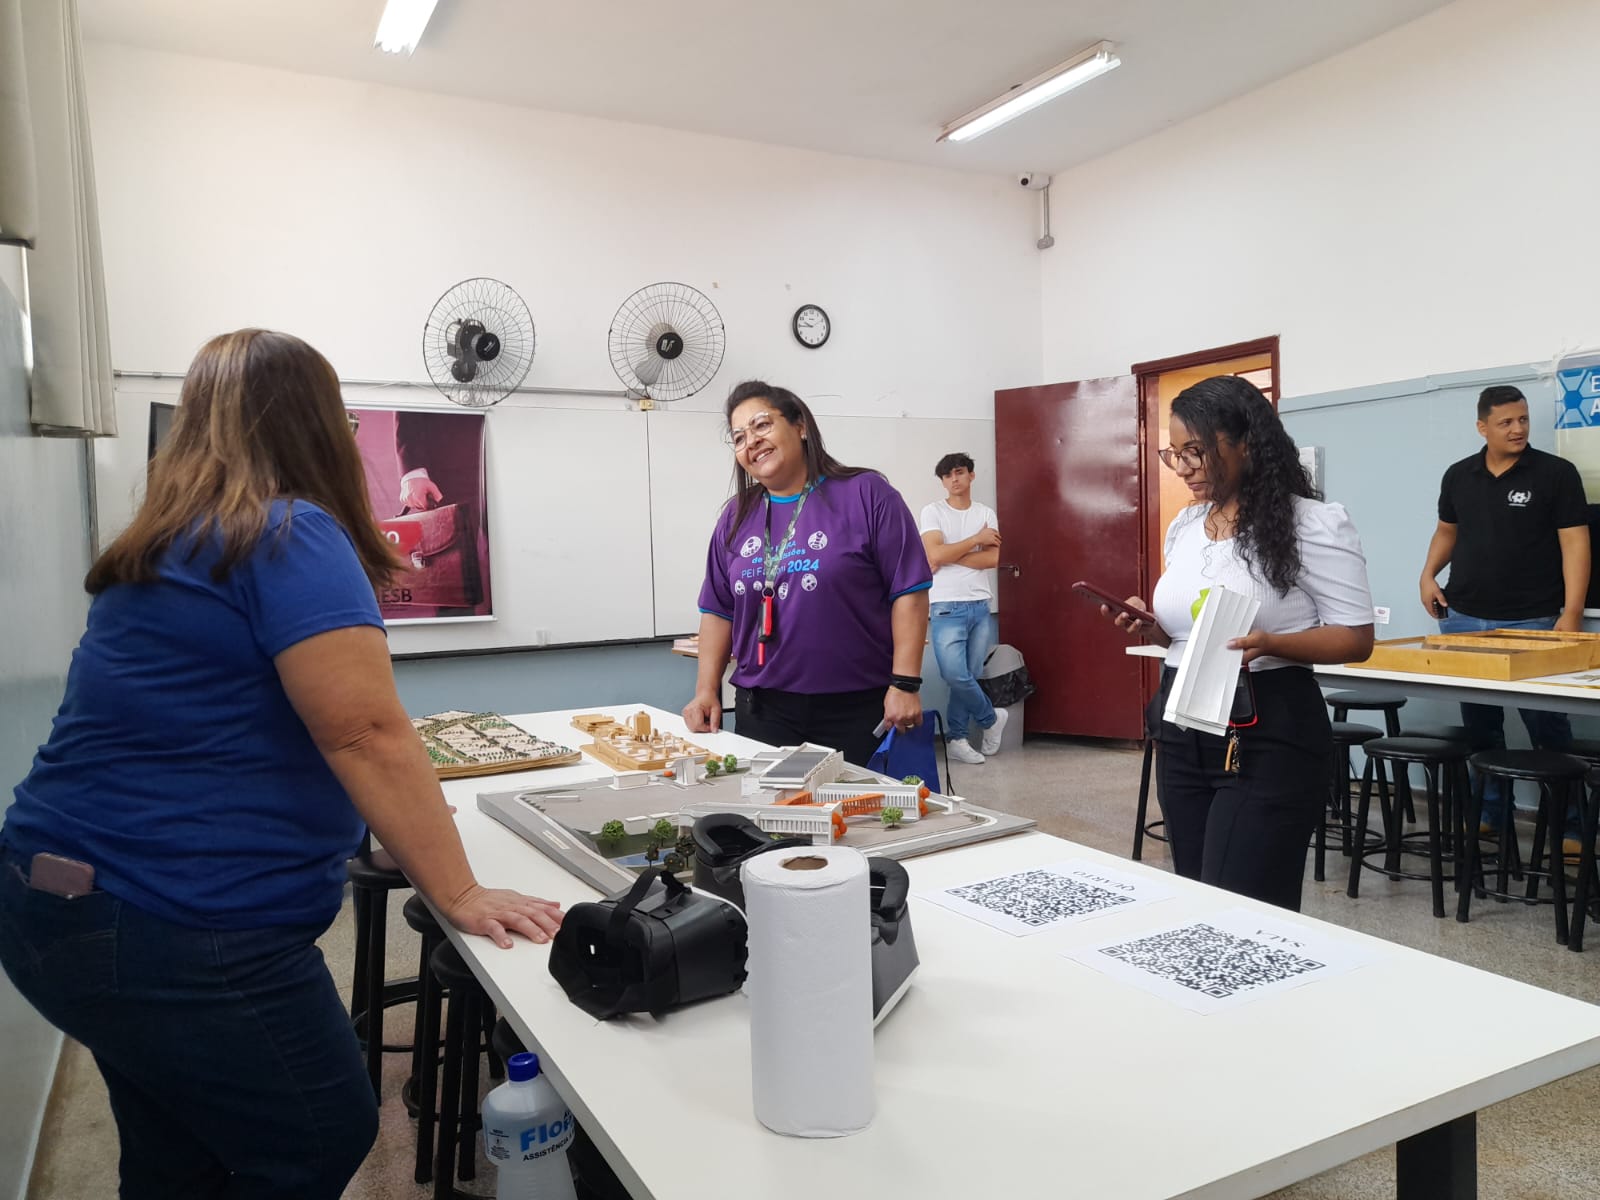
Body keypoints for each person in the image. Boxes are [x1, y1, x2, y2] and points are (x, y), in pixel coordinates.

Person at [0, 330, 564, 1200]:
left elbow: (240, 726)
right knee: (319, 1128)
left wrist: (360, 832)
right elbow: (365, 732)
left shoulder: (174, 539)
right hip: (168, 918)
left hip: (58, 903)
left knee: (177, 1150)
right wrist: (456, 890)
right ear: (315, 425)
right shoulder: (290, 530)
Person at [1107, 375, 1375, 912]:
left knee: (1244, 903)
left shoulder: (1311, 523)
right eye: (1174, 453)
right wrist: (1153, 628)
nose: (1183, 467)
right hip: (1184, 720)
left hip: (1268, 726)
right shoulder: (1184, 526)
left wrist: (1274, 642)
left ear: (1246, 443)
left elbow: (1356, 637)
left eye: (1197, 452)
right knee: (1194, 892)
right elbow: (1185, 632)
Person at [683, 380, 932, 767]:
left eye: (762, 425)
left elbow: (909, 591)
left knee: (858, 821)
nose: (751, 441)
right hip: (762, 710)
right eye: (738, 437)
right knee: (767, 822)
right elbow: (718, 609)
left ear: (800, 425)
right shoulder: (736, 516)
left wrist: (905, 683)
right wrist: (705, 690)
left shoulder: (866, 495)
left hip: (855, 707)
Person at [1418, 384, 1589, 844]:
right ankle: (1492, 812)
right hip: (1465, 615)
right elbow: (1445, 532)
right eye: (1506, 422)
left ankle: (1570, 826)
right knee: (1481, 727)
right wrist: (1428, 575)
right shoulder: (1459, 476)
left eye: (1523, 420)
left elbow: (1575, 543)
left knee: (1548, 725)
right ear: (1482, 426)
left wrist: (1570, 613)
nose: (1518, 429)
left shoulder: (1556, 473)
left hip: (1534, 619)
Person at [919, 452, 1007, 764]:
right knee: (954, 674)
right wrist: (975, 541)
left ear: (971, 475)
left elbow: (994, 559)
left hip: (980, 604)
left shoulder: (986, 513)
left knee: (969, 673)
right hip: (945, 605)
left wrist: (948, 554)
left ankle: (957, 738)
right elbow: (933, 553)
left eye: (958, 473)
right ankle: (990, 719)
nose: (953, 480)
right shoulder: (933, 512)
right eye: (947, 476)